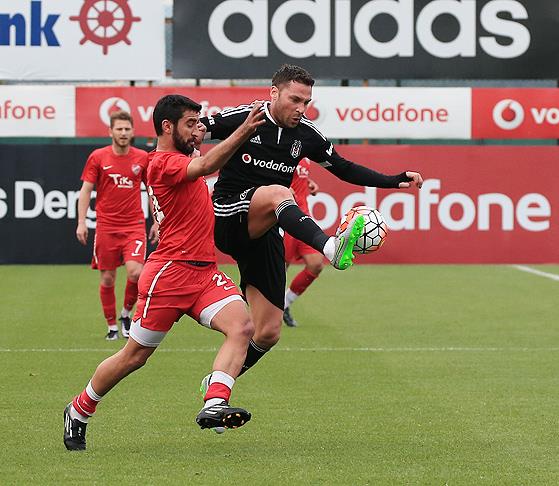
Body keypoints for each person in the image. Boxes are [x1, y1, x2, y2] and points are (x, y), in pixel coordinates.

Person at [63, 95, 266, 451]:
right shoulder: (160, 162)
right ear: (167, 127)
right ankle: (79, 409)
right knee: (134, 357)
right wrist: (244, 130)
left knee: (243, 327)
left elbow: (201, 161)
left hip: (204, 273)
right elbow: (206, 166)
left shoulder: (184, 157)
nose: (197, 129)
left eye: (199, 123)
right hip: (169, 275)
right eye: (191, 123)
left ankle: (215, 401)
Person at [200, 64, 423, 375]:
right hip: (228, 216)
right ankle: (330, 246)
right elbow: (194, 130)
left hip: (264, 232)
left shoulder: (306, 134)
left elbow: (343, 168)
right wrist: (186, 166)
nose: (301, 108)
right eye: (294, 100)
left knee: (267, 332)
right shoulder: (246, 117)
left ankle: (219, 383)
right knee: (280, 193)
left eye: (306, 102)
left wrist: (393, 180)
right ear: (274, 92)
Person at [76, 111, 158, 340]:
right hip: (106, 227)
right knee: (107, 278)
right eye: (119, 129)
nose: (123, 133)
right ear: (110, 131)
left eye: (126, 129)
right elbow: (86, 190)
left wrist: (156, 221)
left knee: (136, 272)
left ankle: (125, 314)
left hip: (134, 225)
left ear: (132, 131)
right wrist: (81, 222)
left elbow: (152, 191)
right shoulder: (98, 157)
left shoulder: (142, 158)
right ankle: (112, 326)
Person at [281, 157, 324, 327]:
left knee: (316, 264)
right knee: (279, 270)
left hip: (304, 218)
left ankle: (285, 303)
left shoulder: (305, 154)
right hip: (285, 217)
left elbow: (296, 176)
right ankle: (265, 312)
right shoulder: (284, 148)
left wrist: (308, 182)